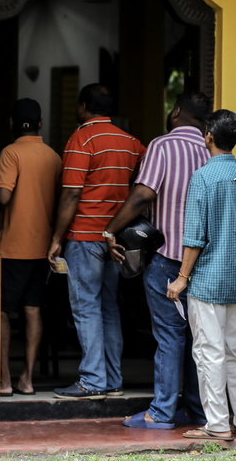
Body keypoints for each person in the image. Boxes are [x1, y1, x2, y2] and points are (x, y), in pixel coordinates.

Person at [103, 91, 211, 429]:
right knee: (197, 338)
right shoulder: (212, 152)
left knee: (169, 336)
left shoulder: (162, 146)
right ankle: (196, 408)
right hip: (204, 263)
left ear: (176, 111)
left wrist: (110, 231)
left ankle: (161, 412)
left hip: (168, 259)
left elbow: (144, 194)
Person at [167, 109, 236, 441]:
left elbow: (194, 237)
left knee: (209, 352)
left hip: (209, 279)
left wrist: (182, 277)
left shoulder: (203, 177)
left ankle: (219, 425)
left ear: (207, 135)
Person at [48, 84, 145, 399]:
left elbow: (72, 193)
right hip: (114, 240)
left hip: (85, 237)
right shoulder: (131, 143)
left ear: (83, 107)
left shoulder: (82, 139)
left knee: (86, 307)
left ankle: (91, 380)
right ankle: (112, 380)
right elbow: (145, 183)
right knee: (108, 307)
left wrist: (56, 238)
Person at [0, 98, 62, 396]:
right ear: (40, 124)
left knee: (2, 312)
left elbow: (4, 199)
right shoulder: (53, 157)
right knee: (33, 311)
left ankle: (5, 379)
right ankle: (28, 379)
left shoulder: (10, 153)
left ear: (11, 123)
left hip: (12, 247)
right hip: (43, 246)